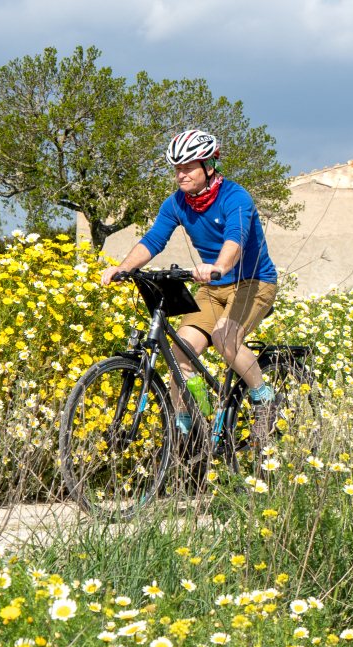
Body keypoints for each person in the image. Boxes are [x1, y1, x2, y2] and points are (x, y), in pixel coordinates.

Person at [99, 129, 280, 435]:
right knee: (180, 353)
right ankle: (188, 431)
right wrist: (124, 268)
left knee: (225, 339)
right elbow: (154, 239)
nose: (180, 175)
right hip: (213, 288)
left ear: (209, 166)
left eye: (187, 168)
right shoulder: (176, 204)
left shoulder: (236, 197)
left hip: (253, 281)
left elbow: (235, 239)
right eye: (177, 169)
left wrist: (219, 266)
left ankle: (265, 398)